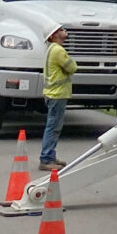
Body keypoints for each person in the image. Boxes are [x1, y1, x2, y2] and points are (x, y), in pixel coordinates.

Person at [40, 21, 76, 170]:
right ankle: (46, 158)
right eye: (60, 30)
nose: (64, 31)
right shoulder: (58, 50)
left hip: (52, 94)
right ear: (54, 35)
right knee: (53, 127)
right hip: (57, 94)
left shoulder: (51, 49)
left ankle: (50, 156)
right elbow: (72, 67)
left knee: (53, 126)